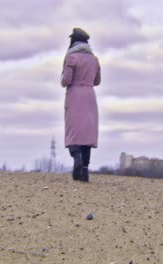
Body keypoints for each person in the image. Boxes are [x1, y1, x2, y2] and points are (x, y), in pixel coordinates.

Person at [61, 27, 101, 182]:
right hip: (90, 96)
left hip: (75, 95)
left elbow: (66, 81)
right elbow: (97, 81)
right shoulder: (94, 59)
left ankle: (76, 157)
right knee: (87, 135)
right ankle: (85, 172)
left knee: (73, 133)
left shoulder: (71, 58)